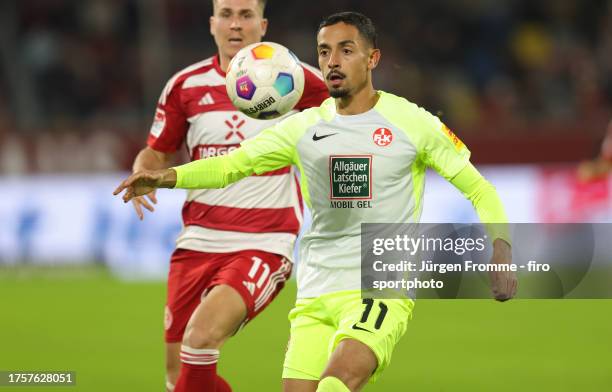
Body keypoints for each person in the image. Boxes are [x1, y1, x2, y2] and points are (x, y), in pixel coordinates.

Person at [115, 11, 517, 392]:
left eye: (346, 49)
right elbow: (230, 166)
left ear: (372, 58)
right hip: (315, 292)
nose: (333, 61)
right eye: (324, 52)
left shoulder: (413, 123)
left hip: (380, 285)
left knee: (337, 381)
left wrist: (501, 247)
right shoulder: (304, 128)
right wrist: (166, 176)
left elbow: (479, 189)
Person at [128, 0, 328, 390]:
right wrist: (143, 169)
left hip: (265, 241)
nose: (235, 25)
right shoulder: (185, 86)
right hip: (197, 241)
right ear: (212, 23)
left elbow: (354, 112)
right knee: (177, 377)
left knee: (200, 339)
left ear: (263, 24)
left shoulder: (296, 78)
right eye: (227, 14)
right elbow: (158, 149)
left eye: (246, 15)